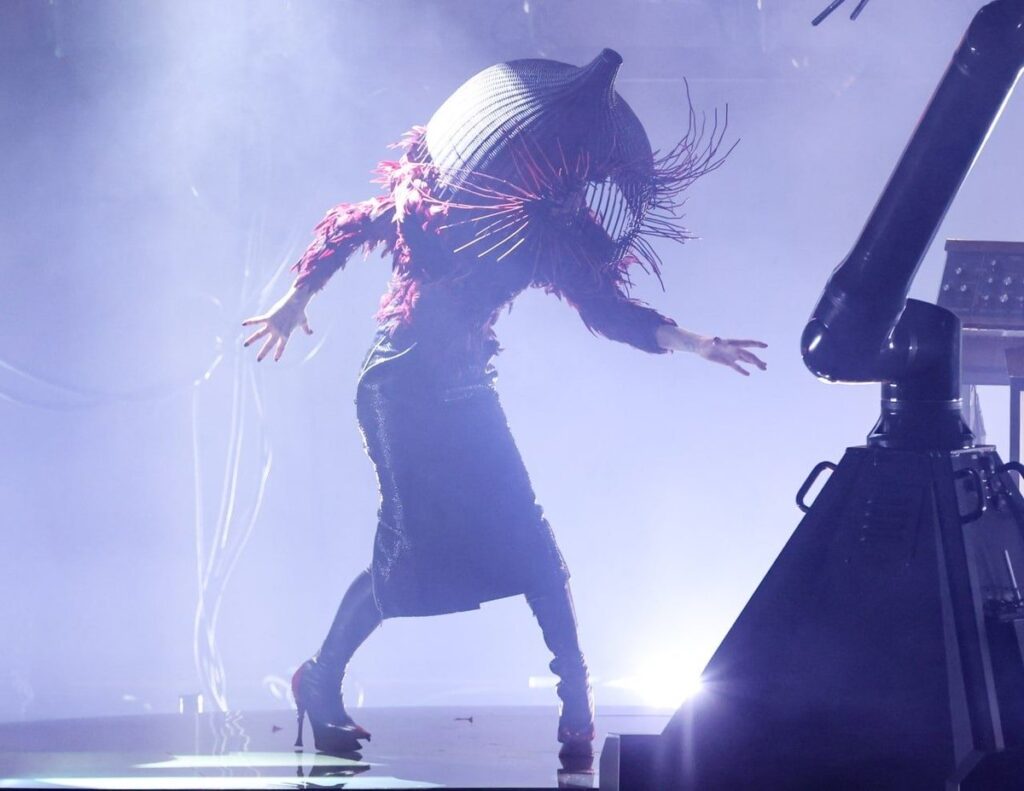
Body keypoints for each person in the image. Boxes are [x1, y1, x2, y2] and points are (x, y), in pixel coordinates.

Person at [242, 49, 766, 763]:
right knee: (407, 552)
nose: (570, 188)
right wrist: (294, 299)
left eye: (577, 177)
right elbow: (351, 224)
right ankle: (321, 677)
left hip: (467, 390)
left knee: (535, 547)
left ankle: (577, 706)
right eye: (559, 173)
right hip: (399, 387)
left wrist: (694, 342)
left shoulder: (551, 238)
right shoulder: (442, 200)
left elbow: (609, 310)